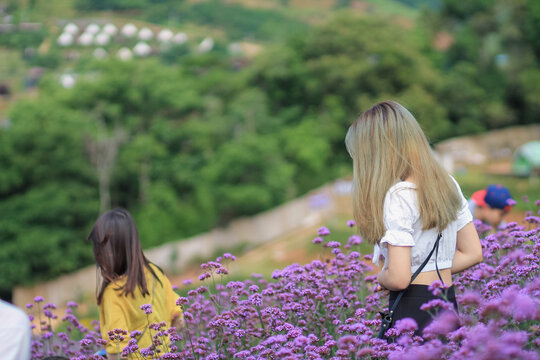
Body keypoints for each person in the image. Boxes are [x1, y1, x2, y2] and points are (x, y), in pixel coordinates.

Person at [345, 100, 483, 337]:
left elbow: (399, 279)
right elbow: (473, 253)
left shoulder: (398, 195)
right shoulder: (448, 184)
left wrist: (382, 277)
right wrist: (422, 271)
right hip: (446, 304)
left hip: (413, 312)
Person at [88, 208, 183, 358]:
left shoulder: (115, 292)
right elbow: (178, 317)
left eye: (100, 250)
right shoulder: (155, 273)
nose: (97, 257)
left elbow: (117, 350)